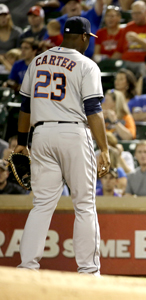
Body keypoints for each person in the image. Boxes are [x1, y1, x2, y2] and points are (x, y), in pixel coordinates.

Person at [14, 17, 111, 275]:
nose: (88, 43)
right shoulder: (86, 64)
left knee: (42, 204)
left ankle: (27, 267)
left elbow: (25, 107)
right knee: (84, 204)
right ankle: (88, 271)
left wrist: (22, 143)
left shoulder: (37, 61)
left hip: (41, 133)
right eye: (88, 39)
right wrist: (105, 148)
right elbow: (93, 110)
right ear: (82, 37)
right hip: (73, 132)